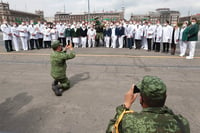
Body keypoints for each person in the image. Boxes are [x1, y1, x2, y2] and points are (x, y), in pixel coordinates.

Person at [106, 75, 190, 133]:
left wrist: (126, 105)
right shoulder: (182, 123)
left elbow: (112, 130)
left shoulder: (129, 121)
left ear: (141, 99)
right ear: (165, 97)